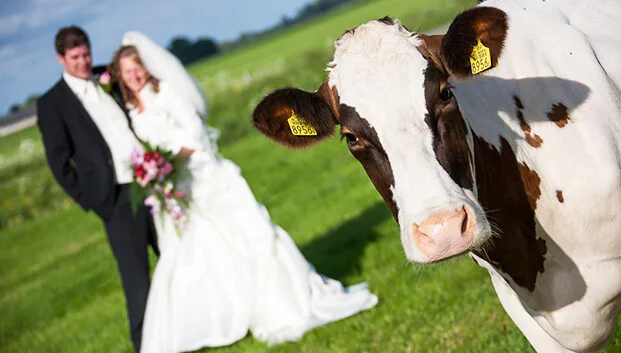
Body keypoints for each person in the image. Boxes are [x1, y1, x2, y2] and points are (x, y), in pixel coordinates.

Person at [110, 32, 379, 353]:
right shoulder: (131, 108)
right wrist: (154, 172)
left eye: (138, 66)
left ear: (148, 66)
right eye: (128, 71)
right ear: (121, 76)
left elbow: (194, 131)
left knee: (248, 238)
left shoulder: (165, 92)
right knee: (195, 253)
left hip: (204, 176)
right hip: (175, 191)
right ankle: (215, 318)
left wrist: (168, 163)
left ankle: (273, 305)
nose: (135, 74)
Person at [36, 26, 159, 352]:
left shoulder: (107, 75)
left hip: (152, 184)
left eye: (86, 54)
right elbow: (60, 164)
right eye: (75, 57)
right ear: (61, 58)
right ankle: (145, 345)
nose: (84, 62)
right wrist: (94, 200)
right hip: (114, 200)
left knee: (176, 256)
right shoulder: (52, 103)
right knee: (137, 279)